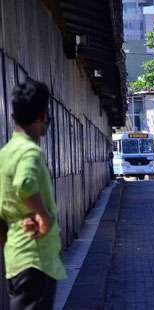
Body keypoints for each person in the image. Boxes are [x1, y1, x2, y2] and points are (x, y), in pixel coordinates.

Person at [0, 79, 66, 310]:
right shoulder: (30, 151)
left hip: (16, 258)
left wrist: (10, 242)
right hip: (36, 261)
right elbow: (25, 184)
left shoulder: (6, 154)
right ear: (42, 116)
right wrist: (44, 217)